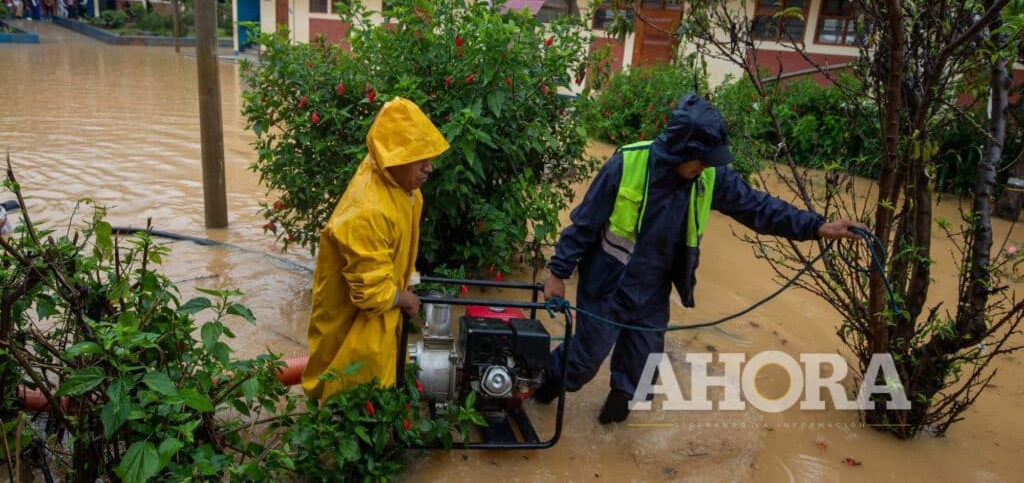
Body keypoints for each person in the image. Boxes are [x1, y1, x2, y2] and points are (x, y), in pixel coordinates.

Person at [533, 93, 866, 424]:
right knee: (581, 364)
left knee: (637, 377)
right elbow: (585, 223)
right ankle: (535, 392)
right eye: (702, 160)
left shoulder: (709, 177)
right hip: (607, 284)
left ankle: (610, 439)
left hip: (652, 293)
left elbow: (758, 207)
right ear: (681, 151)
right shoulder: (627, 164)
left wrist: (818, 226)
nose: (707, 166)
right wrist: (558, 273)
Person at [302, 97, 450, 402]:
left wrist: (407, 280)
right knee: (350, 389)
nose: (429, 168)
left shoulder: (401, 187)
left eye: (429, 157)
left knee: (376, 381)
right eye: (419, 158)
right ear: (393, 157)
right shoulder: (368, 209)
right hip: (360, 320)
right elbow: (371, 295)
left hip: (382, 310)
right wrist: (404, 298)